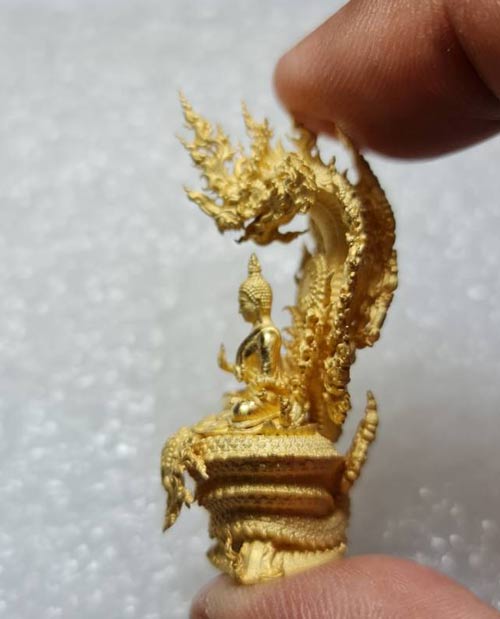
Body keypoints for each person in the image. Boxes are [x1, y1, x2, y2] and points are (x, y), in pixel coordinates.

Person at [191, 1, 500, 617]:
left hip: (299, 431)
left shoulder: (328, 263)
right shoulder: (266, 336)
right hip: (277, 416)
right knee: (245, 412)